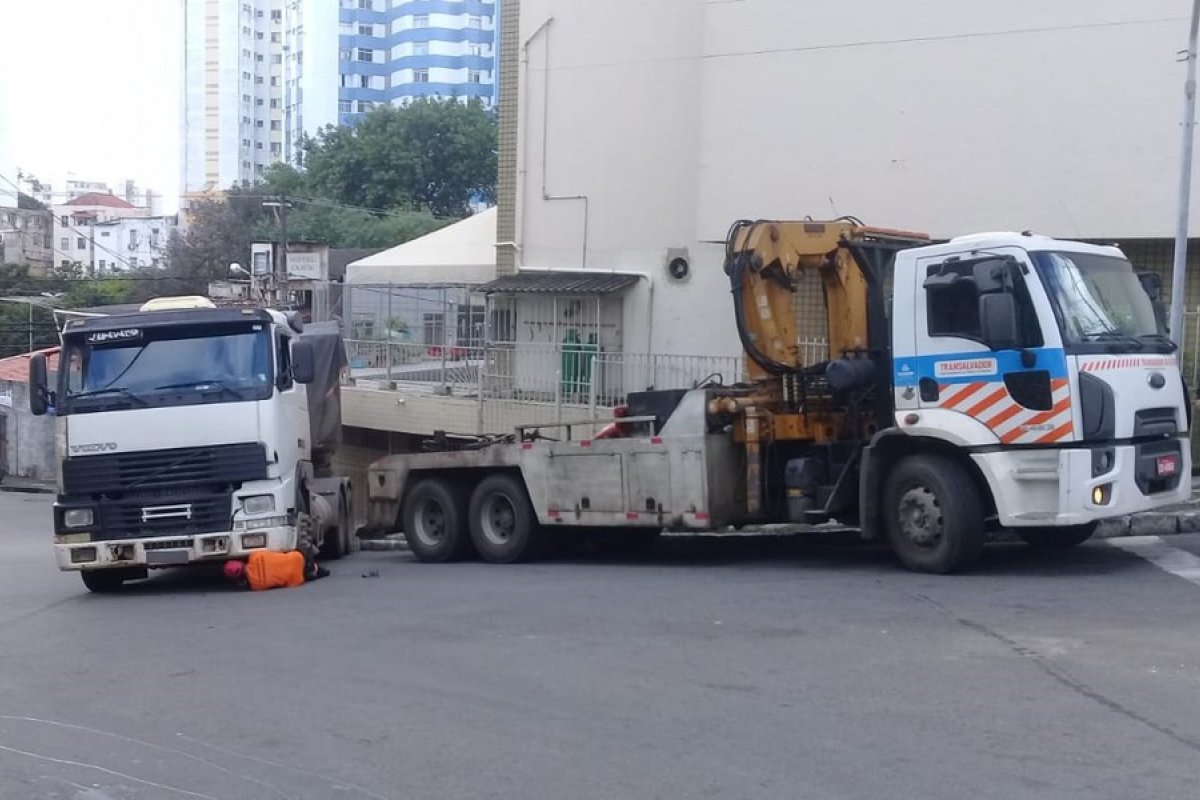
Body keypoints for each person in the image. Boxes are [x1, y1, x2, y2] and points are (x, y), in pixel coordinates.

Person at [223, 548, 329, 591]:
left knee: (298, 576)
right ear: (240, 562)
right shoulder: (254, 556)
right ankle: (314, 566)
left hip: (295, 578)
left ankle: (314, 571)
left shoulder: (256, 585)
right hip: (296, 557)